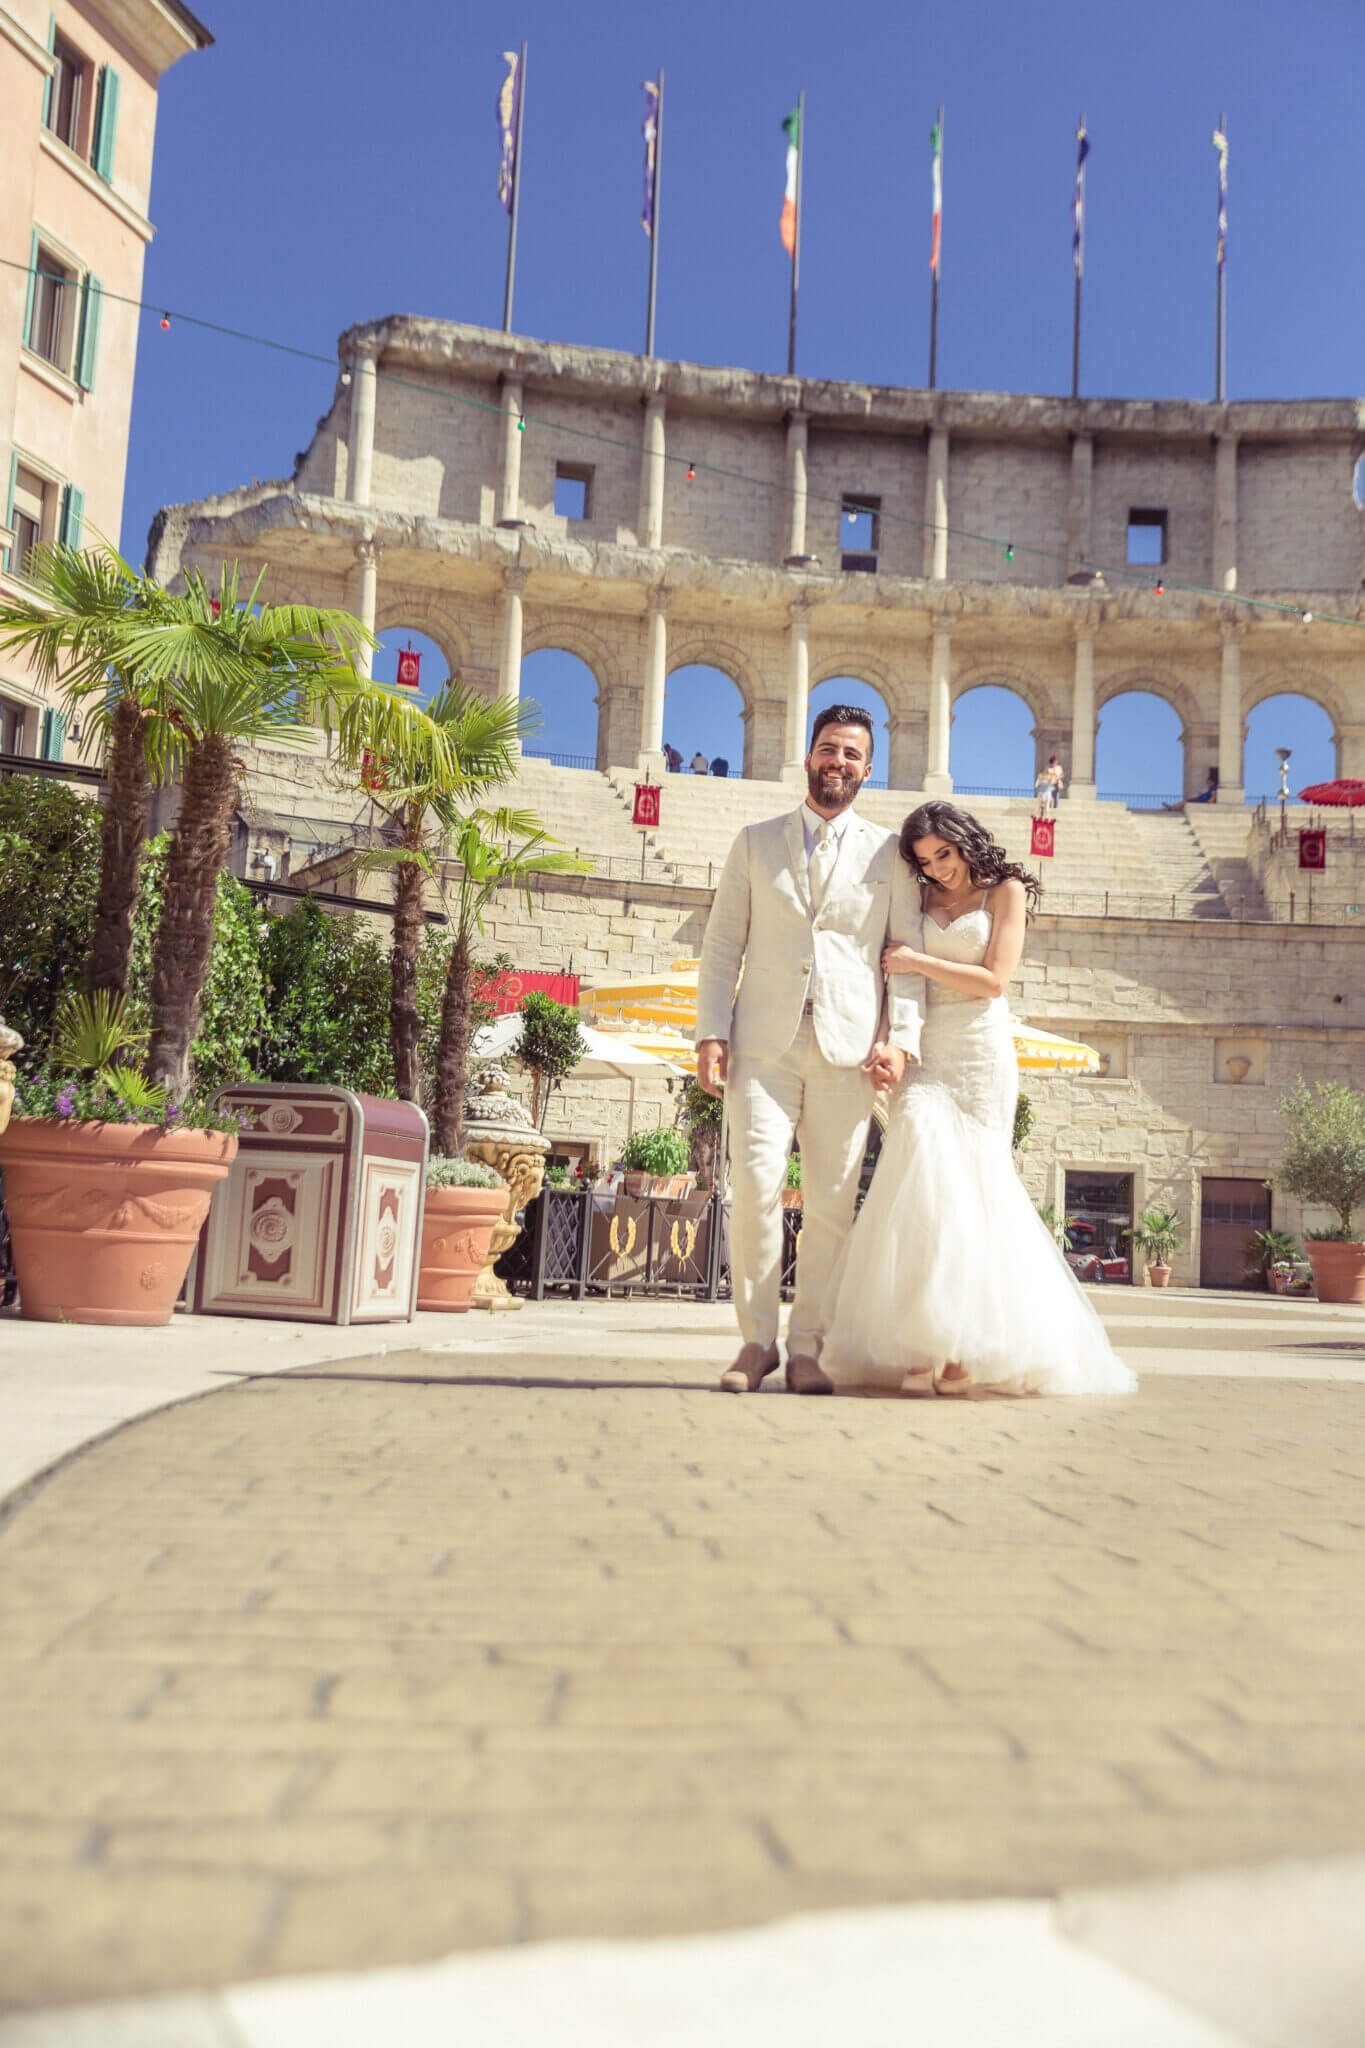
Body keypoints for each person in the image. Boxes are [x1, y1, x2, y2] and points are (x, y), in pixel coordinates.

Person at [821, 800, 1136, 1399]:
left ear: (966, 842)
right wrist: (891, 1041)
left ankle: (962, 1352)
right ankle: (921, 1349)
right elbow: (899, 982)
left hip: (981, 1057)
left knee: (973, 1193)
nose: (939, 870)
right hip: (925, 1055)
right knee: (917, 1186)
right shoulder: (916, 900)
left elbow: (994, 980)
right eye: (925, 861)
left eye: (945, 854)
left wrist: (918, 958)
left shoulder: (1005, 892)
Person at [695, 705, 923, 1395]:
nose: (838, 763)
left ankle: (806, 1349)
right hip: (760, 1046)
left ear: (867, 768)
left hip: (847, 1050)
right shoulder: (754, 842)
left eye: (851, 754)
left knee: (830, 1206)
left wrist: (901, 1042)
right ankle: (755, 1342)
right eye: (828, 749)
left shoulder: (890, 855)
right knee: (755, 1189)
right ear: (807, 757)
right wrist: (709, 1032)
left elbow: (902, 958)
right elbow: (720, 945)